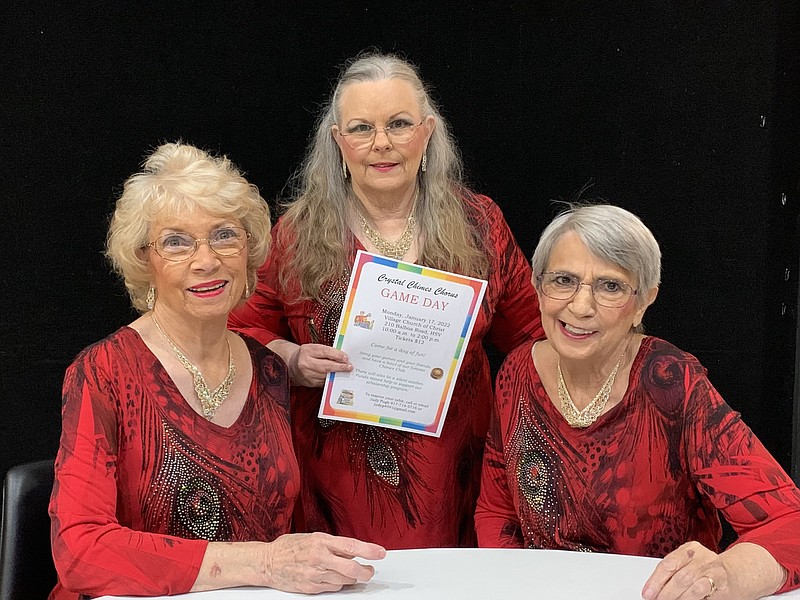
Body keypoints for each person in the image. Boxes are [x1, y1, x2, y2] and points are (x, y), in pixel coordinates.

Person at [229, 51, 543, 549]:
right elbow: (236, 333)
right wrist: (292, 358)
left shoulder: (480, 223)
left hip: (461, 472)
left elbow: (533, 338)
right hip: (338, 483)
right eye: (360, 128)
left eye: (399, 124)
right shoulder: (297, 233)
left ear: (427, 131)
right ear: (338, 142)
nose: (381, 144)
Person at [49, 142, 385, 600]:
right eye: (176, 242)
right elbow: (81, 550)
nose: (206, 260)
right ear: (144, 260)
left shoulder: (269, 370)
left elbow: (294, 529)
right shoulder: (103, 372)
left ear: (249, 251)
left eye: (225, 235)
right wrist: (262, 563)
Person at [475, 203, 800, 599]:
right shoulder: (517, 372)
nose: (580, 306)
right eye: (563, 280)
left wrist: (724, 576)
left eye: (610, 286)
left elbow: (790, 521)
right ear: (537, 287)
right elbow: (498, 512)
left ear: (644, 301)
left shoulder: (670, 381)